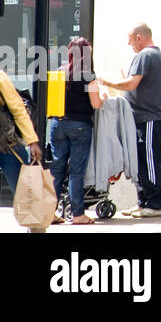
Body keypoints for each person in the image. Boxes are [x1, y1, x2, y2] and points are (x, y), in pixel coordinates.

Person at [100, 23, 161, 217]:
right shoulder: (156, 55)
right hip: (146, 117)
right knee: (140, 160)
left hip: (149, 117)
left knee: (149, 160)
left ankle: (155, 204)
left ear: (139, 38)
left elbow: (132, 83)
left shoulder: (145, 55)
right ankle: (144, 202)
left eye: (130, 41)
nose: (129, 45)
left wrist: (106, 82)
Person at [48, 37, 103, 224]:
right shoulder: (88, 74)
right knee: (76, 172)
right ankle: (78, 214)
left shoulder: (60, 72)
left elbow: (53, 101)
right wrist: (102, 97)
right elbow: (96, 104)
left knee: (56, 169)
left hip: (58, 124)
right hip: (79, 125)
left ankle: (49, 212)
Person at [0, 68, 42, 225]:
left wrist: (32, 141)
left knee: (27, 192)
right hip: (7, 145)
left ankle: (37, 223)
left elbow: (18, 110)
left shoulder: (0, 78)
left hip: (7, 144)